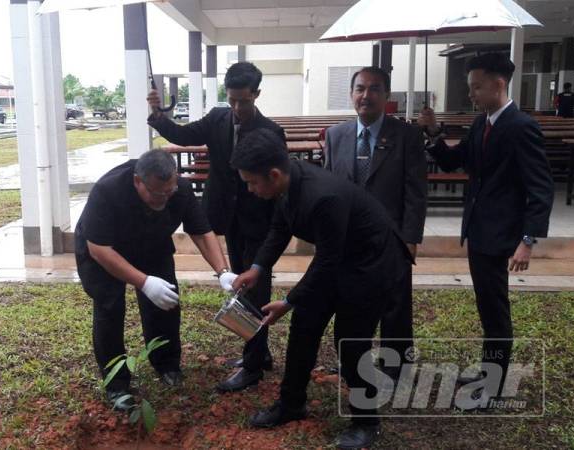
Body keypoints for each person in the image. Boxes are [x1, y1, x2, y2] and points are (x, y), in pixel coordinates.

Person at [230, 128, 411, 449]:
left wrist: (287, 300)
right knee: (304, 326)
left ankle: (366, 422)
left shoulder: (322, 196)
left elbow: (326, 262)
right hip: (342, 257)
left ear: (273, 175)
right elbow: (280, 227)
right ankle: (291, 404)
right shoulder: (287, 182)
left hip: (372, 263)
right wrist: (257, 268)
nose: (249, 188)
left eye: (251, 182)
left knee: (350, 341)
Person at [418, 53, 554, 403]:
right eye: (470, 87)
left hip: (501, 236)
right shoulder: (482, 123)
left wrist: (527, 240)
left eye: (477, 87)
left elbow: (540, 187)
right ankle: (487, 372)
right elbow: (452, 163)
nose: (472, 94)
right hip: (478, 231)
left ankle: (492, 388)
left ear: (498, 83)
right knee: (487, 306)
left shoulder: (521, 126)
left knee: (495, 311)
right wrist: (433, 131)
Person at [147, 62, 286, 393]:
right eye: (233, 100)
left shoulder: (271, 131)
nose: (238, 108)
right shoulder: (217, 118)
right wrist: (156, 114)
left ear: (257, 94)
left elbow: (279, 183)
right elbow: (182, 135)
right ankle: (260, 352)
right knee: (242, 285)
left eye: (244, 101)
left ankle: (252, 367)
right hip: (227, 218)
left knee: (255, 290)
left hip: (259, 221)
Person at [75, 149, 236, 411]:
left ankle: (167, 364)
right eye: (157, 193)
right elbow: (99, 250)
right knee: (109, 308)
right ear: (138, 181)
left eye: (168, 191)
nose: (164, 197)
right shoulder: (108, 191)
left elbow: (202, 231)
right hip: (103, 250)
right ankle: (117, 385)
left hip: (151, 243)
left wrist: (223, 271)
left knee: (166, 303)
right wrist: (144, 282)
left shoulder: (178, 190)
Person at [324, 66, 427, 378]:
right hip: (347, 237)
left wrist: (410, 237)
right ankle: (352, 362)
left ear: (387, 95)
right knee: (349, 299)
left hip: (392, 238)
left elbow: (415, 191)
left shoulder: (407, 136)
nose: (365, 95)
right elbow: (328, 188)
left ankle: (396, 368)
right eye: (360, 88)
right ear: (352, 93)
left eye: (374, 89)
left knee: (395, 305)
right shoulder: (335, 135)